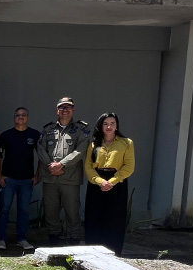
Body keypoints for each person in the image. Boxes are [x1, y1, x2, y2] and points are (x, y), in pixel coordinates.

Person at [37, 97, 90, 246]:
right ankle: (54, 239)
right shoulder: (48, 129)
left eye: (68, 107)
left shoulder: (81, 129)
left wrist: (61, 164)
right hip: (50, 177)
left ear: (73, 109)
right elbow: (40, 148)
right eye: (61, 107)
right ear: (57, 110)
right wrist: (51, 166)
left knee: (72, 211)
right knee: (50, 211)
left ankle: (73, 240)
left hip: (70, 178)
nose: (64, 110)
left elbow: (81, 150)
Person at [84, 112, 135, 256]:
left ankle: (113, 251)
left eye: (112, 123)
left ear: (117, 125)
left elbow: (129, 166)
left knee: (115, 218)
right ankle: (93, 251)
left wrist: (112, 182)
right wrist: (100, 181)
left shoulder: (127, 143)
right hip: (96, 183)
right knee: (94, 216)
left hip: (117, 182)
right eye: (105, 124)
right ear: (101, 126)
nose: (109, 127)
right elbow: (88, 166)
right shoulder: (94, 144)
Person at [0, 107, 41, 251]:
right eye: (18, 115)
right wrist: (0, 176)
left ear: (28, 117)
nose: (21, 117)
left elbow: (42, 157)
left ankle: (22, 239)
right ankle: (1, 239)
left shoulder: (35, 135)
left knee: (24, 210)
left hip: (27, 180)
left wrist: (37, 175)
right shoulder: (6, 135)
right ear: (14, 118)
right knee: (4, 210)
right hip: (8, 180)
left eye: (24, 115)